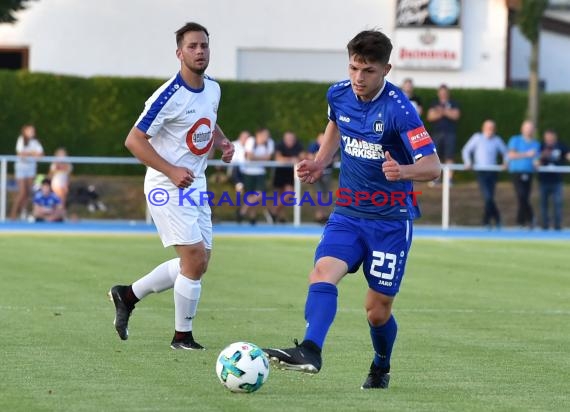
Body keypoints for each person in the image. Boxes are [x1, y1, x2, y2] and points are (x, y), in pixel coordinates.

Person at [264, 29, 441, 390]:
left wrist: (404, 171)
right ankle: (310, 350)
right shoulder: (338, 94)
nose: (359, 78)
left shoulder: (400, 110)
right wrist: (319, 162)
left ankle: (381, 364)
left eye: (368, 71)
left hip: (390, 222)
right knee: (321, 273)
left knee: (377, 312)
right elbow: (335, 126)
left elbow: (433, 166)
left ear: (386, 69)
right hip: (347, 213)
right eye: (354, 68)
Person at [109, 22, 234, 350]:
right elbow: (133, 140)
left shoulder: (214, 88)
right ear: (179, 53)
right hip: (166, 184)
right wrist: (171, 169)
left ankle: (127, 295)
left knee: (199, 263)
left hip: (196, 184)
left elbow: (207, 118)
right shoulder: (168, 95)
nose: (199, 51)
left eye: (204, 45)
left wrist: (222, 141)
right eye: (192, 46)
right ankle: (182, 337)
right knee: (193, 259)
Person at [461, 119, 508, 229]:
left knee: (490, 197)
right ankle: (494, 219)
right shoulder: (477, 138)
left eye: (492, 128)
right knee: (488, 197)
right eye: (488, 128)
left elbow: (506, 153)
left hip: (492, 171)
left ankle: (488, 221)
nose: (490, 131)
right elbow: (466, 150)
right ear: (483, 128)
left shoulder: (497, 140)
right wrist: (468, 162)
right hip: (481, 171)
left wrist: (505, 163)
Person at [507, 120, 540, 229]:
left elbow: (536, 159)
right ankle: (528, 219)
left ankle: (522, 222)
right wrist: (526, 154)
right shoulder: (515, 140)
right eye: (526, 128)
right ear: (522, 129)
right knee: (521, 196)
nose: (528, 130)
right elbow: (511, 155)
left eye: (530, 128)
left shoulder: (536, 144)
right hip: (517, 172)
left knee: (524, 197)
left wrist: (537, 162)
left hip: (529, 173)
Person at [237, 127, 274, 224]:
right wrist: (260, 158)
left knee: (259, 195)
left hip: (260, 172)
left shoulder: (269, 143)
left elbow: (268, 159)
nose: (267, 137)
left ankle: (242, 211)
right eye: (265, 134)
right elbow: (249, 157)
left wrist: (255, 158)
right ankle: (252, 218)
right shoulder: (251, 141)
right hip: (248, 172)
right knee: (250, 196)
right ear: (258, 134)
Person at [535, 129, 569, 230]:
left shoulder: (561, 145)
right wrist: (542, 156)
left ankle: (557, 226)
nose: (549, 139)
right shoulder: (541, 146)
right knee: (543, 204)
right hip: (544, 180)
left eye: (551, 136)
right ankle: (545, 226)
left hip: (557, 180)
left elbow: (568, 155)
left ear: (554, 136)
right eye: (547, 137)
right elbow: (536, 162)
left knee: (558, 204)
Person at [426, 84, 461, 184]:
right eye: (441, 92)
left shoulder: (453, 103)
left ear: (448, 93)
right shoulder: (434, 103)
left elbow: (456, 116)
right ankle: (436, 179)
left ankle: (449, 180)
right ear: (438, 93)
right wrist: (447, 112)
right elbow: (430, 117)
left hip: (450, 133)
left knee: (449, 156)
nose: (443, 94)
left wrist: (441, 111)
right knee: (436, 157)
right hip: (436, 133)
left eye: (445, 93)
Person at [10, 124, 44, 220]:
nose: (32, 132)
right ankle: (13, 215)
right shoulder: (21, 140)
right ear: (25, 132)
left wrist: (30, 154)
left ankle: (22, 213)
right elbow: (20, 154)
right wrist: (33, 153)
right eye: (30, 131)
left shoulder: (36, 142)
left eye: (33, 131)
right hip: (21, 168)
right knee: (21, 192)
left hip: (31, 168)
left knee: (28, 192)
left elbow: (41, 155)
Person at [271, 131, 304, 223]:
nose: (290, 141)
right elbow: (278, 159)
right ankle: (278, 216)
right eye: (288, 139)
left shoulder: (298, 145)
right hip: (280, 172)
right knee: (279, 195)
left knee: (289, 193)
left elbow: (302, 157)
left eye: (292, 139)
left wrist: (298, 159)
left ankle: (272, 211)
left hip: (291, 173)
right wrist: (291, 159)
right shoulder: (280, 145)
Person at [306, 132, 336, 224]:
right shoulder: (313, 146)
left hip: (327, 173)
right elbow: (310, 157)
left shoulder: (330, 146)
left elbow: (334, 158)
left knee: (326, 194)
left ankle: (323, 214)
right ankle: (319, 214)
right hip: (317, 174)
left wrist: (321, 158)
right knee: (319, 193)